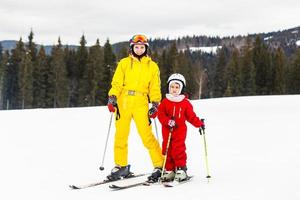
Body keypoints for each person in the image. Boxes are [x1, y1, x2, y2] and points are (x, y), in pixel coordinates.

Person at [106, 34, 164, 182]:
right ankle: (121, 166)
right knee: (121, 135)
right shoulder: (124, 63)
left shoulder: (152, 66)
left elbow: (155, 87)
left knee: (147, 136)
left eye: (142, 47)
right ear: (132, 48)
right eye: (136, 47)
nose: (139, 49)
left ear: (146, 48)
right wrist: (112, 97)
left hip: (141, 102)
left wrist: (155, 104)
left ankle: (159, 165)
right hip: (123, 101)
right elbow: (117, 82)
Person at [157, 73, 205, 182]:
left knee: (178, 149)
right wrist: (168, 121)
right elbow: (161, 115)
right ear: (169, 87)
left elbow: (191, 116)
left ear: (181, 88)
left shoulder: (185, 103)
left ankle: (181, 169)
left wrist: (199, 124)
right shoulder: (165, 102)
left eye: (177, 87)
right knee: (167, 149)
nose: (174, 89)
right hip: (167, 131)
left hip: (179, 132)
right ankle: (170, 170)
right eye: (172, 87)